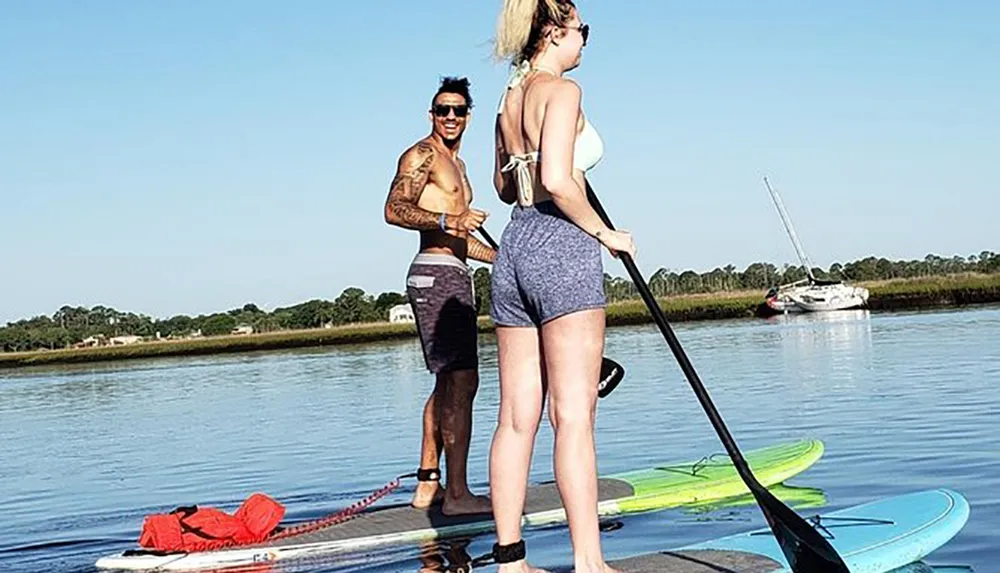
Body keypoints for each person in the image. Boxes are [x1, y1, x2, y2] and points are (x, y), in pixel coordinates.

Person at [487, 1, 636, 572]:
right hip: (562, 248)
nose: (584, 42)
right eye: (582, 31)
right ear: (552, 32)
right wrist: (606, 234)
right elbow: (555, 178)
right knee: (573, 416)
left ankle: (510, 561)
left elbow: (507, 190)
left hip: (515, 249)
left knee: (515, 418)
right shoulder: (562, 92)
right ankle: (589, 563)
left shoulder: (509, 100)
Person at [383, 76, 496, 516]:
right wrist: (451, 218)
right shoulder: (422, 154)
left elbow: (462, 238)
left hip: (453, 270)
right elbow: (394, 209)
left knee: (448, 381)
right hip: (436, 276)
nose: (451, 116)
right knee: (465, 382)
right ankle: (459, 494)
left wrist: (499, 258)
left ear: (469, 115)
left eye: (459, 110)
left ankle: (429, 484)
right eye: (442, 109)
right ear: (431, 114)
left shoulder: (459, 167)